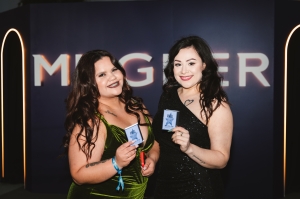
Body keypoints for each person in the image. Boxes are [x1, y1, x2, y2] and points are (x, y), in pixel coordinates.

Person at [62, 49, 160, 199]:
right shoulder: (92, 120)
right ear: (89, 83)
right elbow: (78, 174)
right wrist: (116, 163)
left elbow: (153, 142)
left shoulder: (136, 106)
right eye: (102, 75)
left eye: (114, 69)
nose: (113, 77)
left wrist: (152, 159)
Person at [152, 36, 233, 199]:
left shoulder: (215, 104)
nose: (183, 71)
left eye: (191, 63)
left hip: (199, 189)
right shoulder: (168, 95)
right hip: (164, 187)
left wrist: (189, 148)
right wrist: (151, 160)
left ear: (204, 64)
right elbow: (160, 140)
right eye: (178, 64)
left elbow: (221, 159)